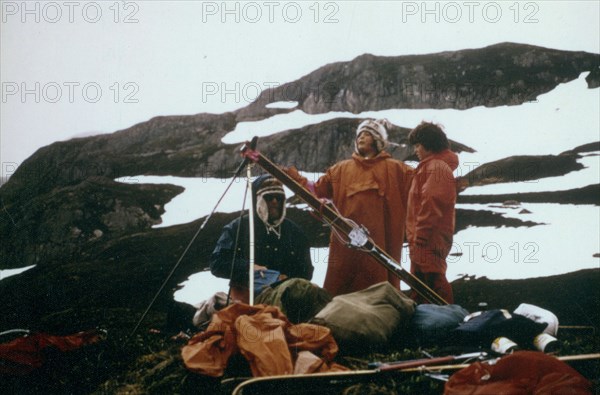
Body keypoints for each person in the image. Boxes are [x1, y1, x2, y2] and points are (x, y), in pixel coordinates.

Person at [284, 119, 413, 296]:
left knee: (379, 298)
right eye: (359, 134)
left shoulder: (397, 169)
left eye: (367, 134)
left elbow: (423, 187)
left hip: (380, 249)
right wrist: (295, 179)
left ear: (377, 141)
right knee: (339, 294)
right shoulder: (339, 170)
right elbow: (316, 191)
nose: (361, 137)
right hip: (344, 247)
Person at [210, 174, 314, 303]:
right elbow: (217, 264)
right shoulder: (237, 228)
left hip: (285, 298)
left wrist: (285, 279)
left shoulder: (295, 232)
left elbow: (306, 271)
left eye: (279, 197)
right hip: (245, 297)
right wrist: (248, 267)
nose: (275, 201)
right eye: (269, 197)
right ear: (257, 199)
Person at [406, 121, 458, 304]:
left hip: (428, 240)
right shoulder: (431, 167)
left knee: (433, 283)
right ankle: (433, 323)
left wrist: (419, 236)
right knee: (422, 284)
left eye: (418, 145)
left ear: (429, 144)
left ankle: (447, 321)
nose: (416, 150)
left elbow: (431, 204)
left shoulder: (436, 168)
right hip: (426, 238)